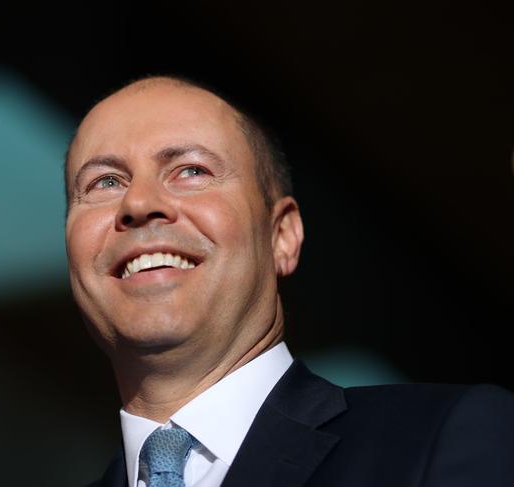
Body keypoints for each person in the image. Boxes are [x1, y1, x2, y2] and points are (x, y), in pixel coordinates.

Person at [64, 76, 514, 487]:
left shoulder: (440, 438)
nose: (139, 202)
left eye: (191, 171)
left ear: (282, 236)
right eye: (105, 182)